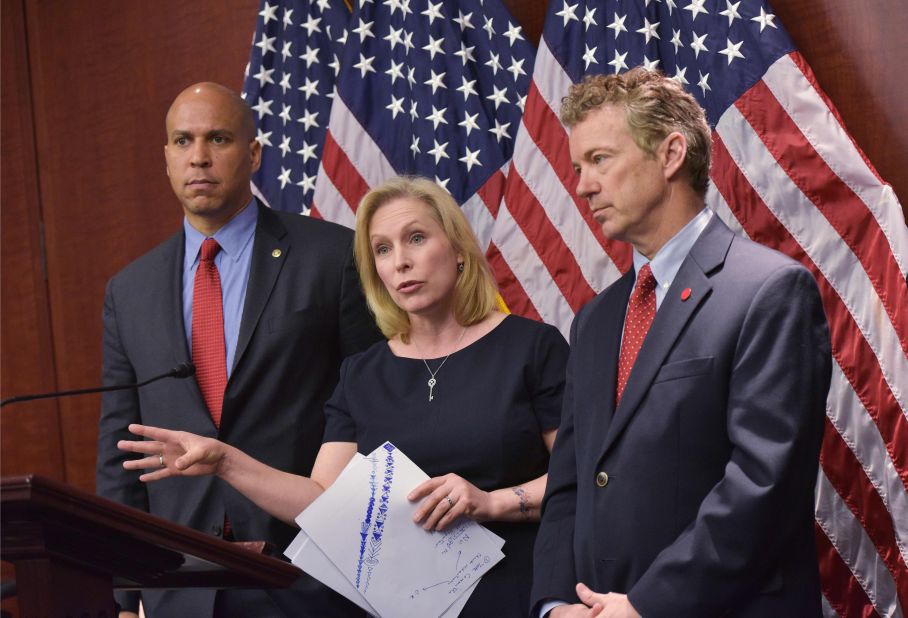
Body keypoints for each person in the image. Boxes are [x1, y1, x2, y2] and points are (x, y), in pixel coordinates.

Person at [118, 176, 570, 616]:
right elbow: (323, 502)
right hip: (402, 601)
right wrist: (224, 461)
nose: (400, 262)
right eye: (383, 249)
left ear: (458, 250)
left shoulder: (531, 347)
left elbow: (582, 476)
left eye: (416, 238)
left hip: (512, 585)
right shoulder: (363, 373)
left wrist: (493, 502)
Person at [531, 69, 832, 618]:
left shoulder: (769, 290)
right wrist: (554, 605)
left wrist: (646, 605)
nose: (582, 185)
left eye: (599, 159)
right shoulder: (595, 320)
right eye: (577, 168)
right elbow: (569, 484)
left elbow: (764, 485)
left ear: (671, 154)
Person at [95, 82, 383, 618]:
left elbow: (377, 411)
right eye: (183, 141)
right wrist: (124, 591)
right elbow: (121, 450)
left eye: (218, 138)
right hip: (178, 584)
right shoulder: (129, 291)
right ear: (166, 158)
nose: (198, 157)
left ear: (253, 154)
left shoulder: (331, 257)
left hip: (308, 573)